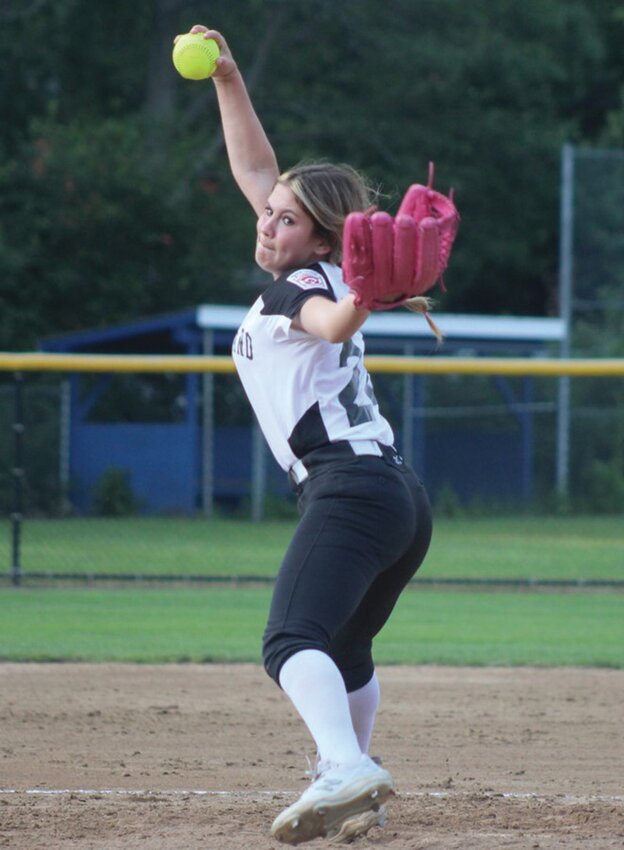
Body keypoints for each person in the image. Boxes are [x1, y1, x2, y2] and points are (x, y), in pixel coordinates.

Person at [182, 24, 434, 845]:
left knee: (290, 640)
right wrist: (227, 78)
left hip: (351, 489)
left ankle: (346, 767)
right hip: (397, 498)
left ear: (319, 240)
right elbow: (257, 170)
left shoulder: (303, 290)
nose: (267, 222)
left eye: (285, 220)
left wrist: (368, 297)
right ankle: (354, 785)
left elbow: (330, 324)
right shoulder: (314, 263)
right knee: (345, 648)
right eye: (270, 214)